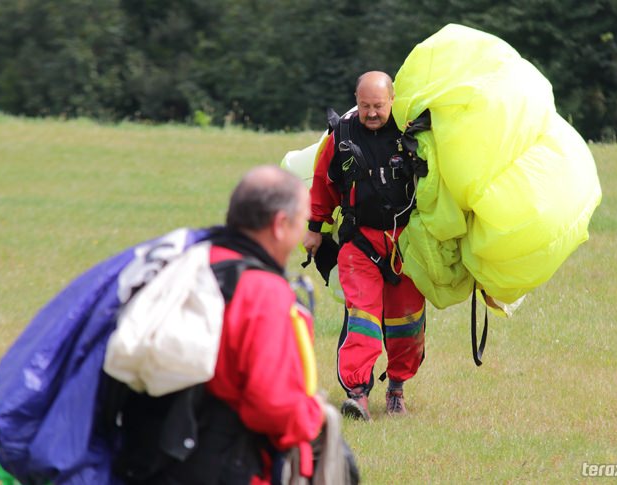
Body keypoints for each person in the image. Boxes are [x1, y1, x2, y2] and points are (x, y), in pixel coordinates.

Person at [109, 166, 330, 484]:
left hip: (156, 458)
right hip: (225, 465)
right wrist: (314, 415)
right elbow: (273, 407)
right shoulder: (263, 292)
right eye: (302, 220)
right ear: (281, 224)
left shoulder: (189, 263)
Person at [303, 71, 426, 421]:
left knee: (407, 323)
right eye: (364, 105)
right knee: (363, 318)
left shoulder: (412, 134)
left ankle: (397, 389)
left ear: (392, 101)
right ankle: (357, 394)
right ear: (356, 101)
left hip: (406, 245)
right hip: (359, 243)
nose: (371, 112)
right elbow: (322, 183)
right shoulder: (341, 135)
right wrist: (315, 228)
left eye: (378, 106)